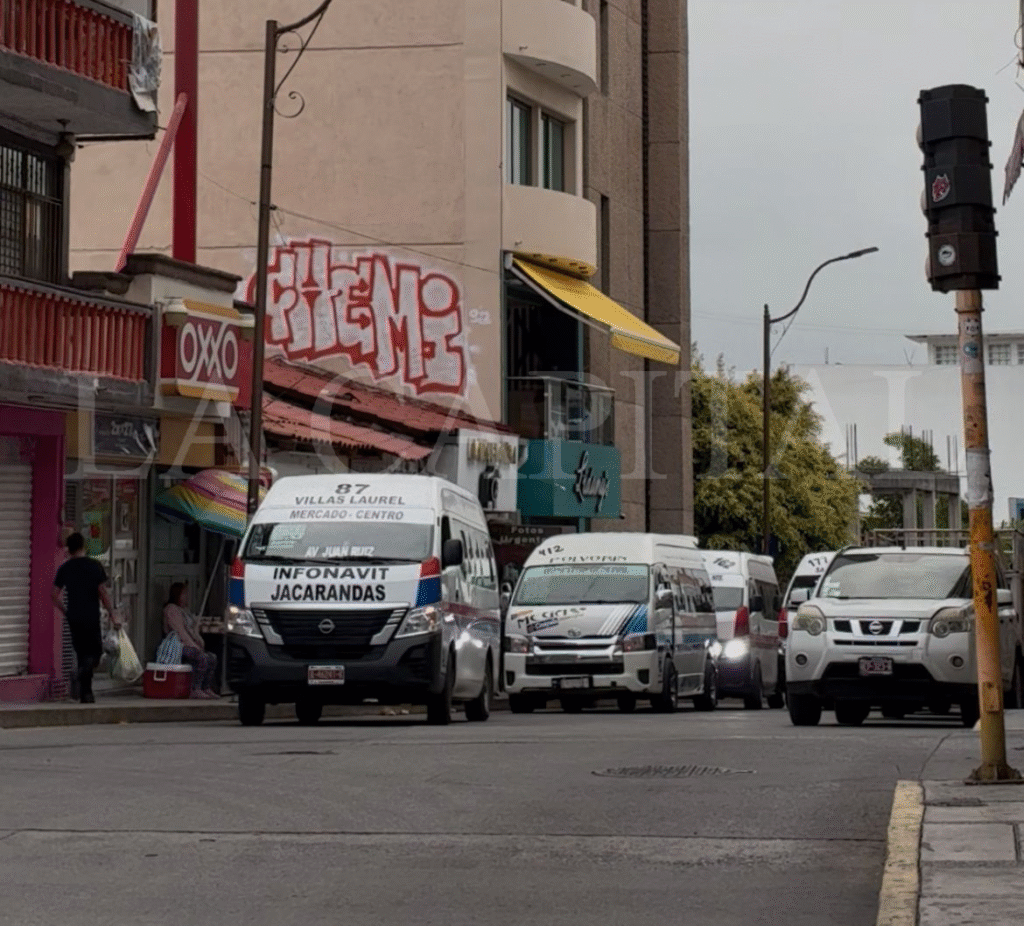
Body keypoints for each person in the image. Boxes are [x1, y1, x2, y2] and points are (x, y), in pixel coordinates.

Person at [52, 532, 119, 704]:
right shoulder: (94, 566)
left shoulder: (65, 568)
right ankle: (82, 672)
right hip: (91, 615)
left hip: (74, 617)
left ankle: (86, 694)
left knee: (82, 653)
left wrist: (65, 611)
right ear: (83, 546)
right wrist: (112, 613)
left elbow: (54, 594)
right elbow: (103, 592)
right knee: (95, 653)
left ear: (69, 549)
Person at [157, 581, 219, 699]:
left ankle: (205, 687)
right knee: (201, 657)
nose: (186, 597)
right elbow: (180, 632)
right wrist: (193, 645)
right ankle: (195, 688)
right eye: (184, 594)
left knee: (212, 658)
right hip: (179, 645)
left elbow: (192, 629)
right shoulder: (171, 610)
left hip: (190, 643)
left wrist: (199, 640)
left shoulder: (185, 611)